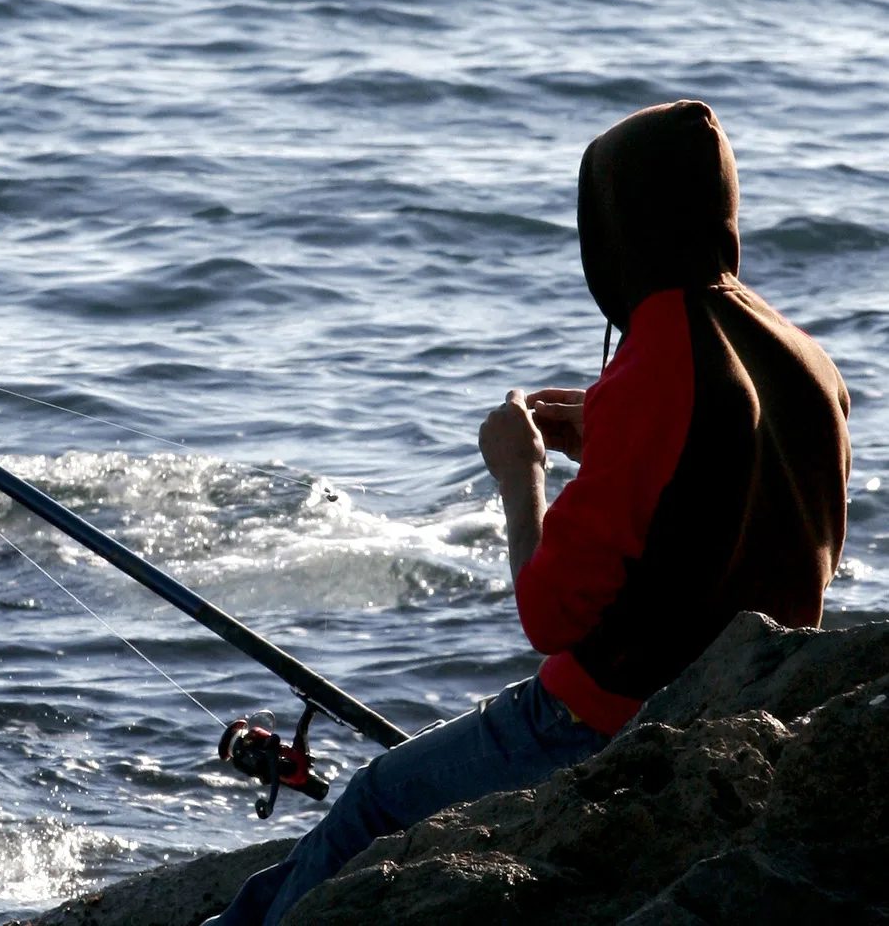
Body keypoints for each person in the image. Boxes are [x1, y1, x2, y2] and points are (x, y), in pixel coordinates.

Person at [202, 100, 851, 926]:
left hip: (608, 714)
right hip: (746, 695)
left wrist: (521, 473)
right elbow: (733, 500)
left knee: (369, 804)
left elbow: (549, 616)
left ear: (617, 229)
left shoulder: (656, 355)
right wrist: (610, 440)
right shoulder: (802, 354)